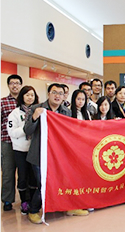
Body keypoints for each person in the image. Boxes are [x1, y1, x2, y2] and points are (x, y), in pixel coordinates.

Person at [24, 83, 88, 224]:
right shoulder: (37, 108)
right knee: (43, 183)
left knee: (65, 181)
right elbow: (27, 131)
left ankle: (69, 207)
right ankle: (33, 210)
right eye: (54, 92)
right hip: (40, 154)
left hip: (60, 155)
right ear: (48, 94)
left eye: (60, 93)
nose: (57, 96)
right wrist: (34, 117)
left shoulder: (65, 111)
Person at [7, 86, 38, 215]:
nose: (30, 97)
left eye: (32, 95)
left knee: (33, 176)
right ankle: (24, 201)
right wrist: (26, 129)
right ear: (22, 97)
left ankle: (32, 201)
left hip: (34, 148)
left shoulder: (38, 111)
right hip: (20, 149)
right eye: (27, 95)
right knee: (22, 176)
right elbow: (12, 132)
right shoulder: (15, 113)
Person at [1, 74, 23, 211]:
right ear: (8, 85)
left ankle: (24, 199)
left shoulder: (26, 101)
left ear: (21, 85)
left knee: (24, 171)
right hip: (7, 142)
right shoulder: (2, 102)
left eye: (17, 83)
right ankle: (7, 200)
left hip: (23, 143)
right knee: (8, 172)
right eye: (12, 83)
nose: (15, 85)